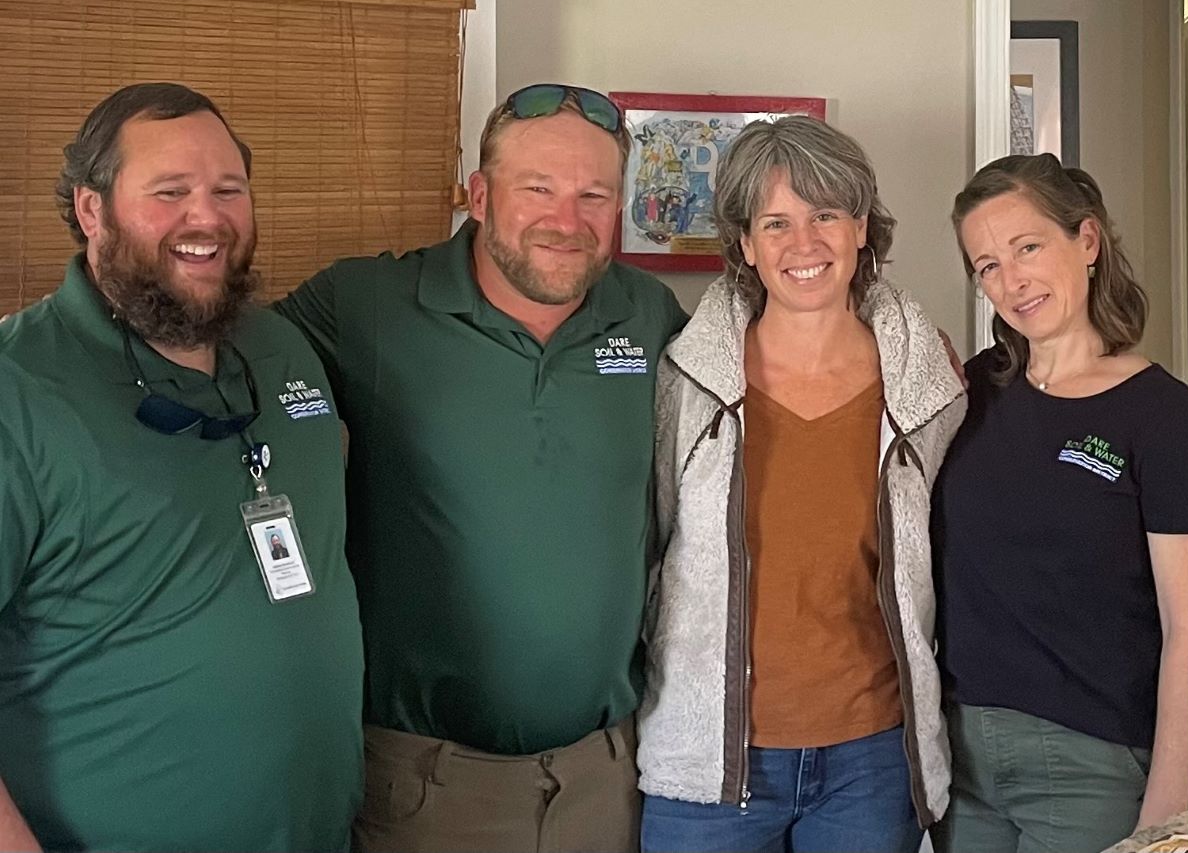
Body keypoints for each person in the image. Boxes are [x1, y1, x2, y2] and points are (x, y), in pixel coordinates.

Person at [273, 83, 689, 853]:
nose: (567, 221)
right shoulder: (366, 304)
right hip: (426, 786)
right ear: (478, 193)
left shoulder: (648, 313)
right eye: (538, 189)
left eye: (594, 194)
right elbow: (209, 364)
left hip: (608, 782)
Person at [0, 83, 364, 853]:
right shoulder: (17, 390)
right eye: (170, 193)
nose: (207, 218)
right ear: (91, 209)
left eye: (228, 190)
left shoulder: (282, 348)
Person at [638, 114, 966, 853]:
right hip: (710, 764)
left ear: (860, 229)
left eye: (824, 215)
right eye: (776, 222)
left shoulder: (929, 387)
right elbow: (649, 549)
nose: (804, 244)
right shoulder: (687, 383)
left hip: (871, 757)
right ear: (746, 245)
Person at [931, 153, 1188, 853]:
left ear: (1086, 241)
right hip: (957, 757)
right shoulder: (973, 390)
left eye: (1027, 247)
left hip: (1090, 766)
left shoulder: (1164, 416)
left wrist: (1164, 815)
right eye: (987, 264)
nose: (1010, 279)